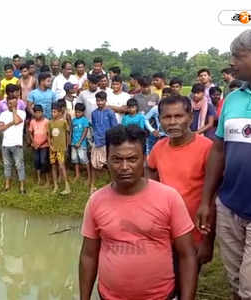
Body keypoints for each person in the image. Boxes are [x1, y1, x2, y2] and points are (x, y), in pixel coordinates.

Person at [197, 27, 251, 300]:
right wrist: (207, 201)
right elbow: (219, 150)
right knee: (237, 283)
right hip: (230, 208)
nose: (231, 61)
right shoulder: (233, 99)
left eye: (238, 55)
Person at [79, 124, 198, 300]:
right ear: (107, 159)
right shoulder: (96, 201)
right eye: (117, 160)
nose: (124, 167)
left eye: (132, 159)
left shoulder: (169, 198)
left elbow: (187, 255)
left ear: (144, 159)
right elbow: (88, 256)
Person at [148, 96, 215, 276]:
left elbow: (213, 200)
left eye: (178, 116)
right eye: (167, 117)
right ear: (159, 120)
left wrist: (207, 242)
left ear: (190, 118)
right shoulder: (158, 148)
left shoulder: (207, 148)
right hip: (162, 236)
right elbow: (149, 187)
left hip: (193, 235)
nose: (172, 122)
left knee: (186, 284)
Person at [90, 91, 117, 193]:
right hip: (97, 141)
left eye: (102, 100)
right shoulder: (94, 113)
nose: (99, 103)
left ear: (106, 100)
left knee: (109, 164)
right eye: (98, 101)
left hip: (108, 142)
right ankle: (92, 185)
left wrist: (113, 142)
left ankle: (113, 184)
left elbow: (114, 127)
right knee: (94, 164)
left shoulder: (110, 112)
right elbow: (94, 126)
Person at [0, 97, 26, 193]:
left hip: (17, 144)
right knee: (7, 165)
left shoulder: (22, 113)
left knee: (19, 165)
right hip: (5, 144)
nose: (12, 105)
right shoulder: (3, 114)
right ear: (7, 104)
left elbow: (17, 121)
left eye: (14, 104)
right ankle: (7, 186)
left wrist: (14, 110)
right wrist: (10, 123)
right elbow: (0, 128)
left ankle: (22, 187)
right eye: (10, 104)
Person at [48, 102, 70, 195]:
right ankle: (56, 185)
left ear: (60, 112)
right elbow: (49, 136)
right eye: (52, 112)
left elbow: (68, 133)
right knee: (53, 166)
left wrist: (67, 145)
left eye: (55, 112)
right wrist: (50, 145)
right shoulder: (50, 122)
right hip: (53, 149)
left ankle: (67, 186)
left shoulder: (63, 122)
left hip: (61, 148)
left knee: (61, 166)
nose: (53, 114)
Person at [29, 105, 50, 186]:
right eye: (36, 113)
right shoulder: (32, 121)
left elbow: (48, 135)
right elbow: (31, 132)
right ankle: (39, 178)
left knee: (43, 161)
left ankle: (47, 179)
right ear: (34, 113)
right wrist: (33, 142)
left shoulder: (46, 121)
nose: (38, 114)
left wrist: (40, 144)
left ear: (42, 112)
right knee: (36, 161)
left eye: (39, 112)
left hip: (44, 145)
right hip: (35, 145)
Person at [71, 103, 90, 184]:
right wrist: (71, 141)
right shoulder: (73, 120)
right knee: (75, 160)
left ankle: (89, 177)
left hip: (81, 144)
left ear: (83, 112)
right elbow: (72, 131)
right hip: (73, 144)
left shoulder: (85, 120)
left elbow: (85, 132)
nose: (77, 113)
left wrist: (79, 142)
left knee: (84, 159)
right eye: (76, 112)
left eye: (79, 112)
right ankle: (77, 175)